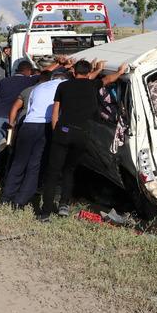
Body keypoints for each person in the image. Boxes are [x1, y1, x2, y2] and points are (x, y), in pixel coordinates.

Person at [38, 59, 128, 220]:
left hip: (63, 132)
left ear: (73, 72)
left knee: (53, 172)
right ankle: (64, 205)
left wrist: (55, 131)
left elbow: (55, 112)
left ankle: (45, 212)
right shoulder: (92, 85)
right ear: (88, 73)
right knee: (70, 170)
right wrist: (120, 72)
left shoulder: (63, 86)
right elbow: (107, 79)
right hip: (82, 135)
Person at [0, 70, 65, 209]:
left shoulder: (38, 88)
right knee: (35, 166)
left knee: (19, 162)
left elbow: (29, 108)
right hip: (44, 127)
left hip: (28, 125)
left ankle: (5, 198)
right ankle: (20, 201)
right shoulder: (64, 85)